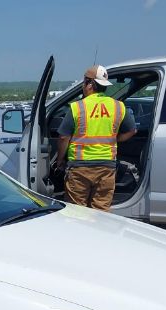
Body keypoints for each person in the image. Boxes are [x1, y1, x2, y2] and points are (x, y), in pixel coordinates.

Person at [56, 65, 137, 211]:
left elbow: (63, 137)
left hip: (80, 168)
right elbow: (132, 131)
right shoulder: (118, 106)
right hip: (106, 167)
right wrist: (113, 140)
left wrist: (60, 160)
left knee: (77, 213)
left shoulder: (77, 107)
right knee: (101, 212)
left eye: (83, 82)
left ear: (90, 84)